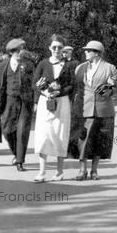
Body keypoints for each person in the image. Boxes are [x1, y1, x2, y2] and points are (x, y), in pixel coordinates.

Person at [73, 40, 117, 181]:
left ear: (96, 53)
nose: (85, 52)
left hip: (104, 109)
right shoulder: (81, 68)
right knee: (83, 140)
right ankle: (82, 170)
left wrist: (110, 92)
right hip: (85, 108)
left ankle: (94, 170)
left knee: (100, 140)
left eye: (88, 50)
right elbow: (76, 87)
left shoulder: (109, 68)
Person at [31, 35, 75, 182]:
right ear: (49, 48)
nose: (56, 50)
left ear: (63, 49)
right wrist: (44, 92)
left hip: (62, 103)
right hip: (45, 103)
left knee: (60, 135)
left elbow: (72, 84)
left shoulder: (69, 65)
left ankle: (59, 171)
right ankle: (42, 172)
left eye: (60, 47)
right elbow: (35, 82)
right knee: (43, 136)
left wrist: (59, 92)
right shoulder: (43, 64)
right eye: (54, 47)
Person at [0, 38, 35, 172]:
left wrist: (36, 100)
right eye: (17, 51)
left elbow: (34, 83)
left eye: (21, 50)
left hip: (25, 102)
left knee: (22, 131)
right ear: (12, 52)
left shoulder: (28, 65)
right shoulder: (4, 64)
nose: (20, 53)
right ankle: (16, 153)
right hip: (9, 101)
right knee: (7, 130)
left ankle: (20, 161)